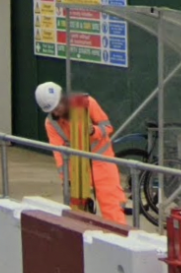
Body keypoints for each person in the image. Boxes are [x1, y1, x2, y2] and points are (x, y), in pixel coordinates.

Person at [36, 80, 126, 224]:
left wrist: (93, 131)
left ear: (62, 97)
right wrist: (67, 180)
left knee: (112, 207)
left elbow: (107, 127)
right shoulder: (51, 123)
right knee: (78, 214)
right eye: (52, 110)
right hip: (78, 169)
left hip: (102, 162)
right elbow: (59, 155)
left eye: (57, 106)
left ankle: (121, 240)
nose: (56, 112)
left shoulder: (87, 103)